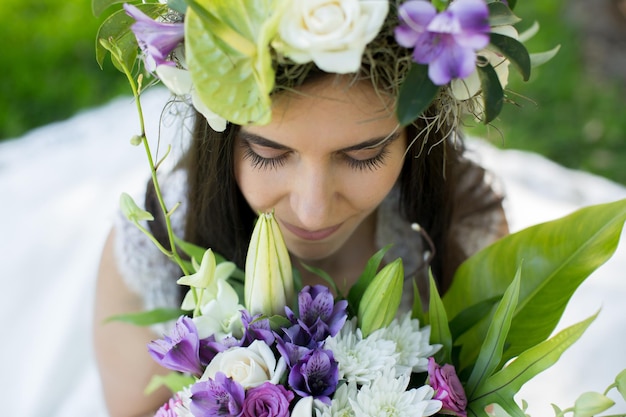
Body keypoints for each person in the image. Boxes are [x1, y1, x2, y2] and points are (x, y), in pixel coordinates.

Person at [93, 1, 513, 415]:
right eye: (268, 154)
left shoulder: (464, 227)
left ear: (414, 136)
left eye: (363, 156)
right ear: (221, 140)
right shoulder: (156, 244)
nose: (313, 212)